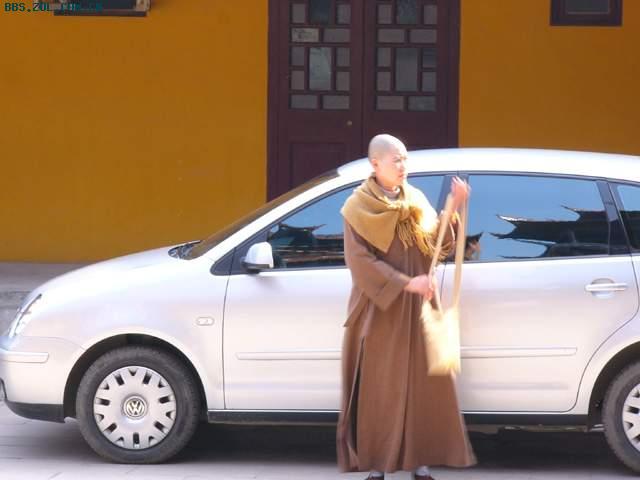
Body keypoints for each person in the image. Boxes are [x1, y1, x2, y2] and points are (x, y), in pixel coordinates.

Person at [336, 134, 477, 480]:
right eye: (396, 160)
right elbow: (360, 263)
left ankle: (420, 461)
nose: (403, 166)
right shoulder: (357, 207)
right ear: (375, 164)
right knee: (380, 388)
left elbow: (436, 245)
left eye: (405, 159)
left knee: (423, 387)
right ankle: (377, 466)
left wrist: (452, 210)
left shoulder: (415, 198)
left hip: (420, 307)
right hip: (381, 310)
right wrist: (405, 283)